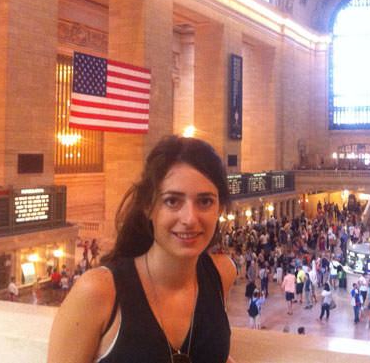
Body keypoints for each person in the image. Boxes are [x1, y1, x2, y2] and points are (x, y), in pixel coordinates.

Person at [47, 136, 236, 363]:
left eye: (205, 202)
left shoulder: (222, 274)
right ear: (148, 206)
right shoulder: (99, 291)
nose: (189, 218)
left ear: (220, 208)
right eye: (172, 201)